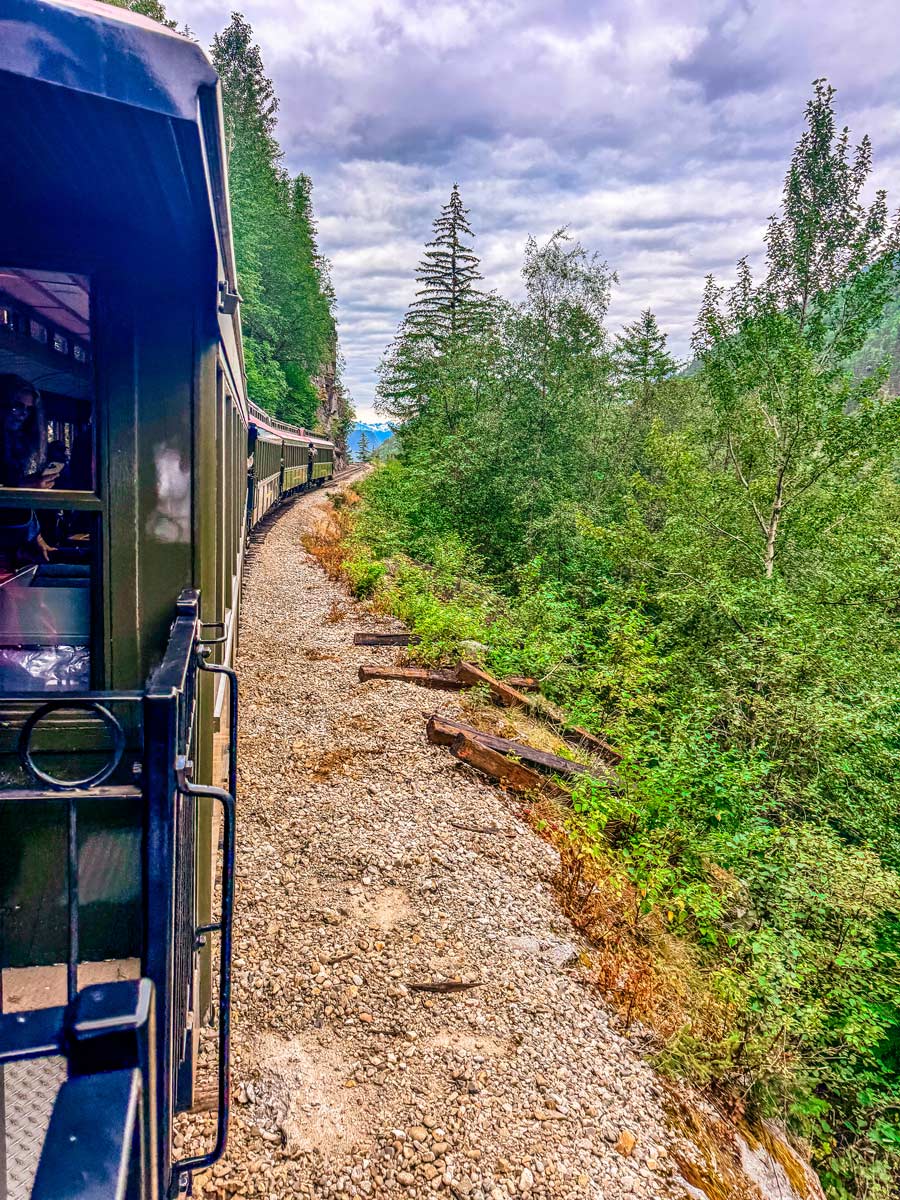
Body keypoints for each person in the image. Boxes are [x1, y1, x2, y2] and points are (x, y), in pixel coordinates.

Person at [0, 374, 60, 564]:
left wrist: (37, 538)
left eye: (29, 409)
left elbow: (20, 499)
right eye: (16, 406)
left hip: (13, 542)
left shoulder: (17, 443)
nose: (23, 414)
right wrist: (22, 485)